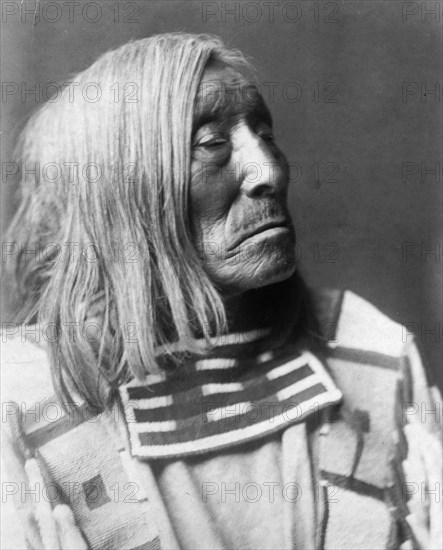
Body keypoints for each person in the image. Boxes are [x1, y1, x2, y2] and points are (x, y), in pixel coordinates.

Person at [1, 33, 441, 550]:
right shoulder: (20, 404)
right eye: (212, 144)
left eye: (266, 134)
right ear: (121, 195)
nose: (269, 171)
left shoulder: (370, 351)